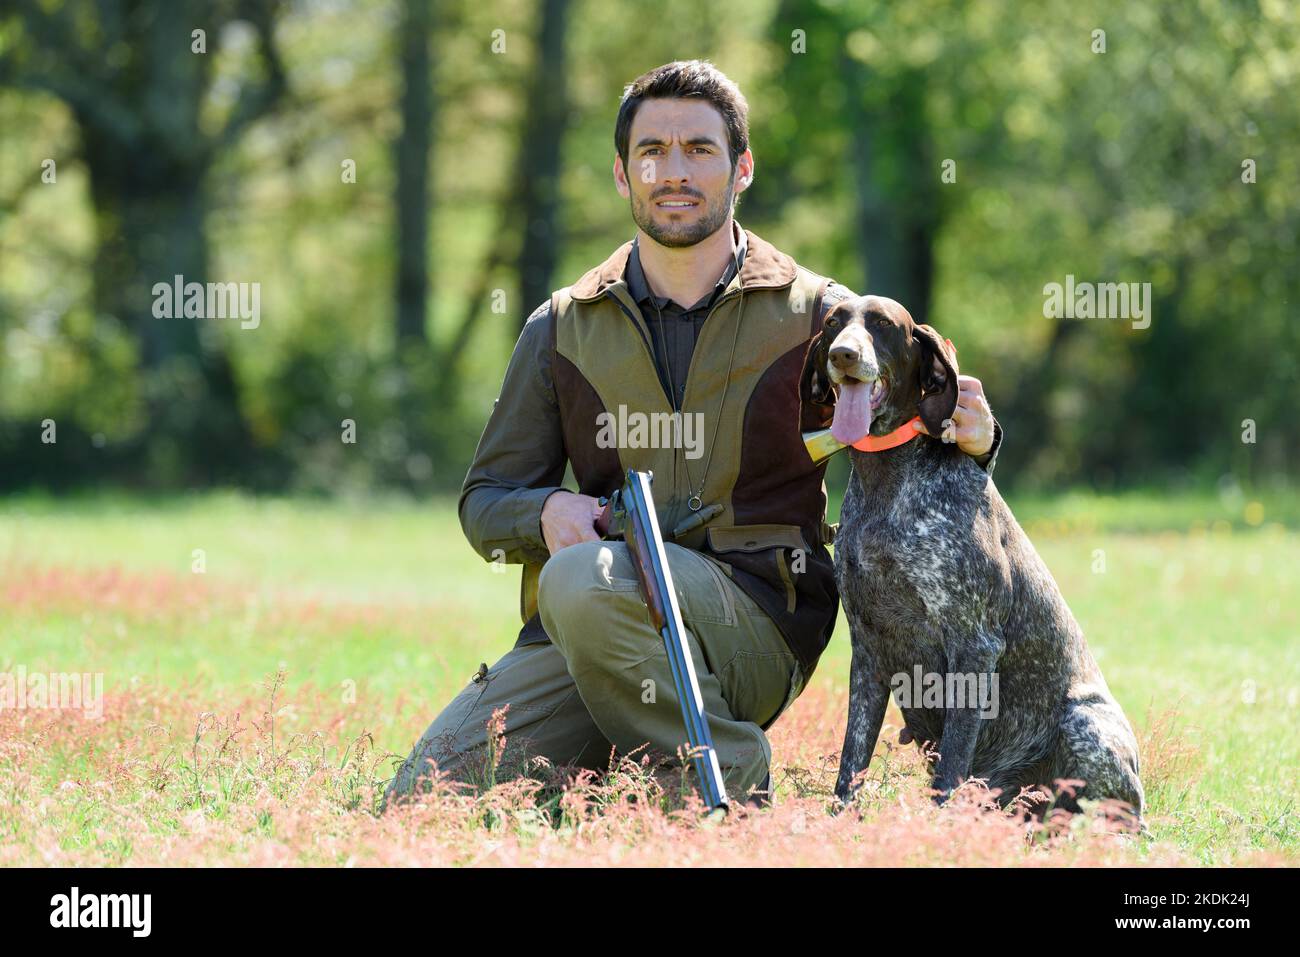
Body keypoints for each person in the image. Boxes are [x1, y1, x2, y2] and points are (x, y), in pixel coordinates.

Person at [384, 60, 1001, 809]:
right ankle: (646, 765)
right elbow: (484, 500)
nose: (673, 171)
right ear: (622, 173)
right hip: (601, 628)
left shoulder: (822, 315)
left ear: (742, 169)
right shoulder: (561, 325)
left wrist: (975, 435)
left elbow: (923, 420)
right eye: (652, 151)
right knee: (425, 799)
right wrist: (543, 512)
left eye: (699, 150)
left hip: (756, 617)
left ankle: (727, 775)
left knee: (578, 578)